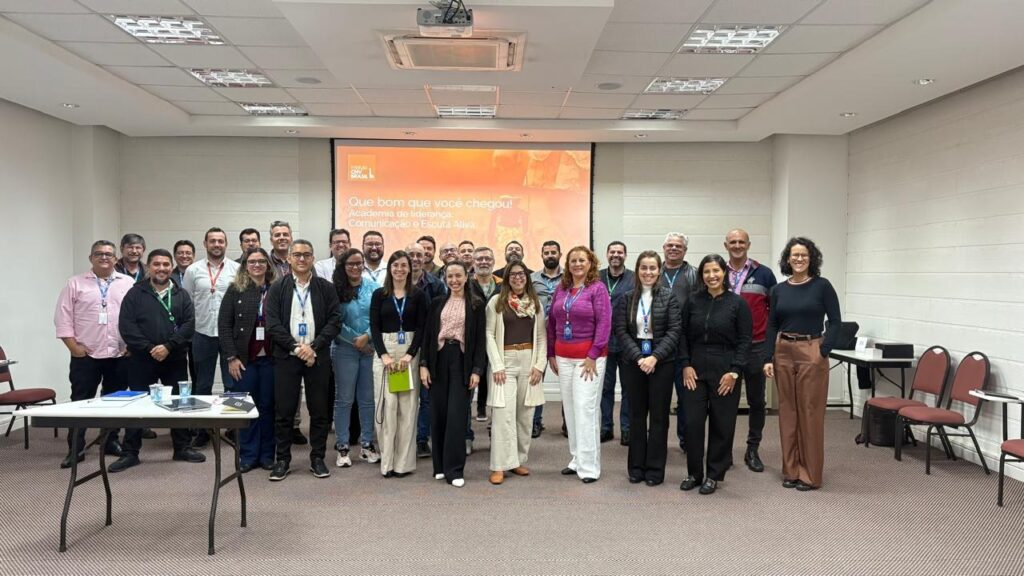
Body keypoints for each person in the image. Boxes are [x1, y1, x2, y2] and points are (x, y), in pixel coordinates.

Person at [110, 249, 203, 472]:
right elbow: (127, 326)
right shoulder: (135, 293)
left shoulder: (181, 294)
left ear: (171, 267)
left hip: (174, 358)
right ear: (149, 267)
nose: (161, 268)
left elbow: (189, 324)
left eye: (165, 264)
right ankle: (130, 452)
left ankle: (182, 447)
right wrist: (150, 348)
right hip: (142, 359)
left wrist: (168, 346)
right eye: (156, 264)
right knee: (137, 405)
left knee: (179, 403)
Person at [764, 237, 841, 492]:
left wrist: (823, 350)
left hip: (811, 350)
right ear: (788, 259)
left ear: (811, 259)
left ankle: (810, 475)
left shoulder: (822, 286)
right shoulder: (778, 290)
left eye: (804, 255)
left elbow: (836, 322)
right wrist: (767, 357)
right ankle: (791, 470)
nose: (799, 259)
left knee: (809, 413)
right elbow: (772, 325)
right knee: (787, 412)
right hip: (783, 350)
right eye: (794, 255)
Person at [264, 240, 341, 481]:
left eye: (306, 255)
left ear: (312, 258)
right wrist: (297, 348)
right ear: (289, 258)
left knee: (319, 410)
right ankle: (282, 460)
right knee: (284, 411)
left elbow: (335, 321)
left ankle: (317, 458)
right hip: (287, 357)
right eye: (297, 255)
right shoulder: (278, 288)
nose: (301, 259)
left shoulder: (326, 288)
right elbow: (272, 324)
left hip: (317, 357)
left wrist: (313, 347)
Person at [53, 240, 133, 468]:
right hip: (86, 354)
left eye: (108, 254)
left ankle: (109, 441)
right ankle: (75, 448)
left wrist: (132, 345)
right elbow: (63, 318)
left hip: (119, 353)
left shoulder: (128, 283)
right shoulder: (75, 283)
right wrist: (73, 348)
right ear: (91, 258)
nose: (104, 257)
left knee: (115, 401)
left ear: (116, 259)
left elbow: (136, 315)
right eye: (99, 254)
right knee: (80, 401)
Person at [678, 254, 752, 495]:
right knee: (692, 423)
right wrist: (685, 365)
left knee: (722, 424)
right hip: (695, 370)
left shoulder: (737, 304)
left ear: (724, 273)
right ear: (702, 275)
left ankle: (714, 475)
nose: (712, 276)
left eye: (716, 271)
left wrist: (735, 371)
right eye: (707, 271)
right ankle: (694, 473)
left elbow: (745, 341)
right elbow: (682, 336)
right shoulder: (692, 302)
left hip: (725, 371)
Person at [613, 250, 680, 486]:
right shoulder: (627, 298)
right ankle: (636, 467)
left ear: (659, 271)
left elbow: (674, 330)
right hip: (634, 363)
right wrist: (638, 357)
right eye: (644, 268)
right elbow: (621, 331)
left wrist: (655, 357)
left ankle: (654, 470)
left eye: (652, 268)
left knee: (659, 418)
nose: (648, 272)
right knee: (636, 416)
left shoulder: (669, 297)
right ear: (637, 270)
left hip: (662, 363)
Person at [547, 246, 612, 484]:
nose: (577, 264)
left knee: (586, 410)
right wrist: (550, 353)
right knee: (571, 409)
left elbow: (604, 323)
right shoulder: (561, 288)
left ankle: (589, 467)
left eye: (582, 260)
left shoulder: (597, 288)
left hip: (589, 360)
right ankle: (576, 459)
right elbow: (552, 321)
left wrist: (593, 355)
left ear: (590, 263)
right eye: (573, 260)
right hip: (563, 358)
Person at [420, 261, 487, 487]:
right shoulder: (437, 302)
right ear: (445, 278)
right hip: (438, 359)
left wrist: (477, 370)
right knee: (438, 413)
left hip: (461, 360)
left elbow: (480, 341)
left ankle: (455, 469)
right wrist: (424, 364)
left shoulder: (476, 304)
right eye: (450, 276)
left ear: (466, 277)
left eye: (458, 276)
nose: (454, 280)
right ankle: (439, 466)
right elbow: (428, 336)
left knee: (457, 415)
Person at [484, 261, 547, 485]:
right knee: (503, 416)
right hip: (506, 363)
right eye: (513, 274)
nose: (518, 278)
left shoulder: (535, 303)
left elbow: (541, 337)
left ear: (527, 278)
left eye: (521, 274)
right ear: (507, 278)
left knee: (525, 416)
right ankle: (499, 466)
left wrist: (539, 365)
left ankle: (517, 460)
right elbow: (489, 334)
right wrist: (497, 365)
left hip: (529, 362)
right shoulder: (496, 302)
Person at [369, 250, 428, 478]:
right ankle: (388, 463)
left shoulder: (419, 295)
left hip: (408, 355)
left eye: (404, 265)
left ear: (410, 269)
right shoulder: (379, 295)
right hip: (385, 355)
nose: (400, 269)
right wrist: (383, 355)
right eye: (396, 265)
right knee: (387, 407)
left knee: (407, 410)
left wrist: (409, 356)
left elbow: (422, 328)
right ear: (390, 268)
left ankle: (403, 464)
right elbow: (374, 327)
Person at [218, 247, 277, 473]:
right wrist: (231, 357)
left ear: (268, 265)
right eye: (252, 261)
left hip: (271, 359)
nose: (257, 265)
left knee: (268, 407)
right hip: (243, 360)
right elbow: (224, 325)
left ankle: (267, 455)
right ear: (245, 265)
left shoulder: (277, 289)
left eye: (261, 261)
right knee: (244, 407)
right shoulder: (236, 289)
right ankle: (248, 455)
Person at [724, 228, 777, 473]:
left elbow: (774, 313)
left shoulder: (764, 274)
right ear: (726, 245)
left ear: (748, 244)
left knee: (757, 401)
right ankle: (723, 451)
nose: (737, 245)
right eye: (733, 242)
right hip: (727, 348)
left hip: (756, 346)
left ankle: (752, 449)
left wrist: (770, 350)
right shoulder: (718, 271)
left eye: (741, 242)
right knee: (725, 402)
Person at [182, 227, 240, 448]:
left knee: (232, 383)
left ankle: (233, 427)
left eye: (220, 241)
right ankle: (203, 430)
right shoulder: (193, 270)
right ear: (205, 244)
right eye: (213, 241)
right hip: (202, 333)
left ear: (226, 244)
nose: (217, 244)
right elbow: (187, 302)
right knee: (202, 384)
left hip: (230, 335)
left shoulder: (236, 269)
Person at [330, 248, 381, 468]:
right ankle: (342, 446)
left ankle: (367, 444)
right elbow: (333, 321)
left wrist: (367, 337)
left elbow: (378, 317)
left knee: (367, 400)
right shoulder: (334, 290)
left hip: (370, 350)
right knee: (344, 399)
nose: (355, 267)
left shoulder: (374, 288)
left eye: (359, 263)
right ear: (343, 266)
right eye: (350, 263)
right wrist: (356, 340)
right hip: (344, 350)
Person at [657, 232, 698, 452]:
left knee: (686, 397)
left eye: (678, 246)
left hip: (685, 344)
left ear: (685, 251)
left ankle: (686, 439)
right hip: (659, 343)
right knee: (659, 398)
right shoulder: (654, 271)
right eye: (670, 245)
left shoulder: (694, 274)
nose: (673, 249)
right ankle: (658, 440)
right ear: (663, 248)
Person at [407, 242, 445, 459]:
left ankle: (422, 439)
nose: (415, 258)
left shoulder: (436, 285)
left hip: (428, 346)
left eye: (419, 255)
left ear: (425, 258)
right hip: (402, 347)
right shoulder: (396, 282)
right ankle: (405, 438)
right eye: (411, 254)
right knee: (403, 393)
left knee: (426, 396)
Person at [599, 241, 635, 445]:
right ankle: (606, 428)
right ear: (607, 254)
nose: (616, 255)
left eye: (620, 252)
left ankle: (627, 428)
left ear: (625, 255)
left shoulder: (634, 278)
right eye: (612, 251)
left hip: (627, 340)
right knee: (605, 387)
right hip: (603, 340)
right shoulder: (597, 277)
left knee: (629, 388)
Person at [529, 239, 562, 438]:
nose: (550, 255)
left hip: (563, 334)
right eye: (546, 253)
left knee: (567, 379)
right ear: (542, 255)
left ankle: (568, 422)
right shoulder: (531, 278)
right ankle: (535, 421)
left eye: (553, 252)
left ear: (560, 254)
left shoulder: (569, 278)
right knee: (536, 378)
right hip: (538, 333)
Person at [469, 246, 500, 421]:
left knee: (495, 375)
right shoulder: (465, 284)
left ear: (493, 262)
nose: (483, 262)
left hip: (496, 337)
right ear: (473, 262)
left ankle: (490, 413)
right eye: (479, 259)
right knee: (471, 375)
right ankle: (466, 423)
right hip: (473, 338)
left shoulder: (502, 285)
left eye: (487, 258)